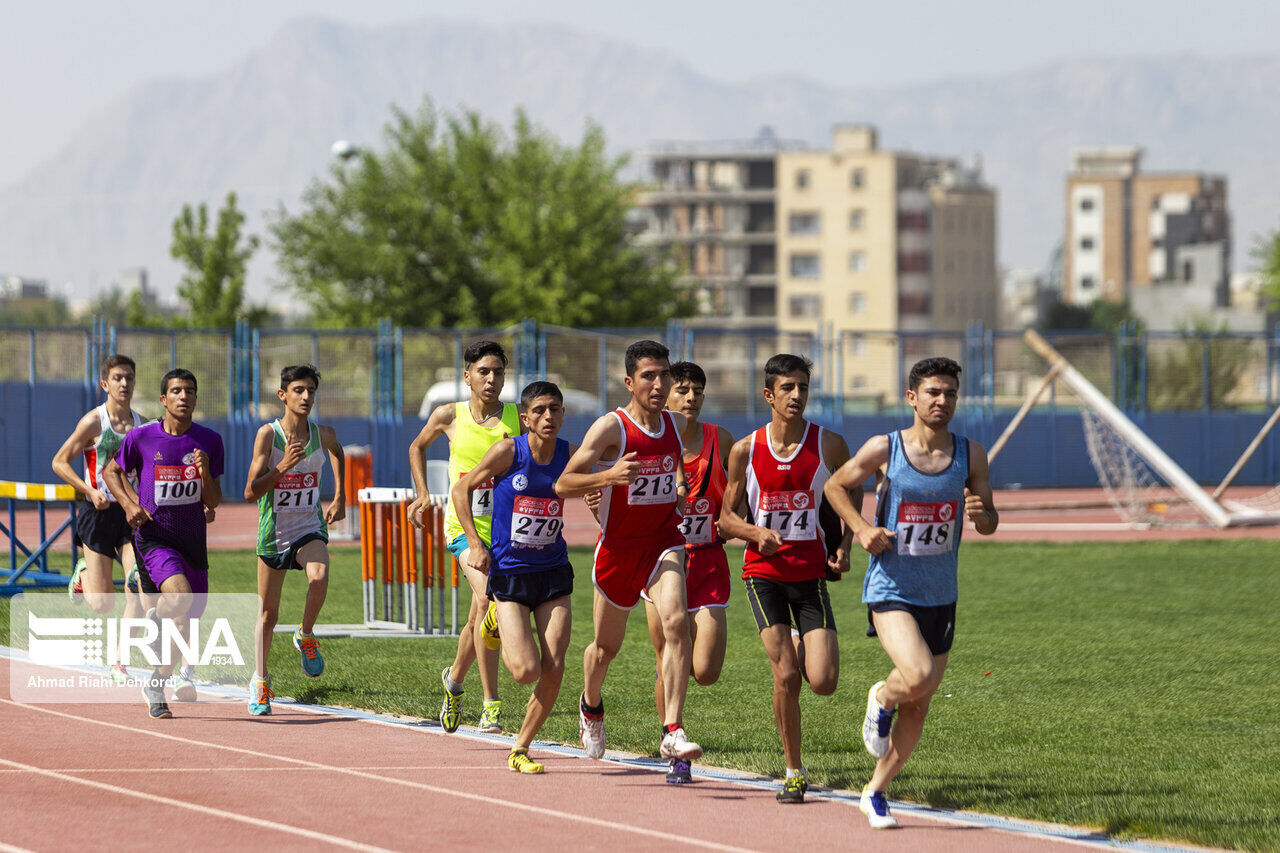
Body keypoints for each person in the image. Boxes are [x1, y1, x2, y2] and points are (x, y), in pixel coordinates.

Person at [823, 356, 998, 829]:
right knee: (917, 676)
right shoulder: (887, 449)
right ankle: (881, 697)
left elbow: (989, 521)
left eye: (950, 395)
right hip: (892, 587)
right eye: (933, 393)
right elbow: (835, 486)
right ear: (912, 397)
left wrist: (982, 515)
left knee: (919, 703)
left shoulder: (970, 454)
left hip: (941, 593)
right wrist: (860, 528)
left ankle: (875, 792)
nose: (942, 401)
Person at [555, 339, 702, 766]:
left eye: (664, 376)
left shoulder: (676, 425)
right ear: (629, 382)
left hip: (663, 541)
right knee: (605, 648)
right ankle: (590, 705)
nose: (659, 384)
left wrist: (676, 489)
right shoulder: (611, 428)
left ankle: (672, 730)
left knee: (676, 623)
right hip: (619, 548)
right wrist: (609, 477)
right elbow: (564, 483)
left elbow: (672, 464)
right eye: (648, 377)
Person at [719, 353, 855, 804]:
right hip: (764, 576)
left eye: (803, 388)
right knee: (786, 676)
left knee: (824, 681)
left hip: (810, 574)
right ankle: (794, 771)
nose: (797, 396)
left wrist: (843, 545)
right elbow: (725, 521)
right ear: (769, 395)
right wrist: (756, 532)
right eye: (788, 388)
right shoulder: (745, 450)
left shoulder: (829, 444)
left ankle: (802, 639)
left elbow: (851, 489)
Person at [452, 381, 575, 774]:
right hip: (511, 574)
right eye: (539, 410)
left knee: (554, 667)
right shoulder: (510, 451)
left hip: (553, 572)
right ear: (524, 418)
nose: (548, 417)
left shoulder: (568, 455)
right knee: (525, 672)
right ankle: (491, 619)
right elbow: (461, 490)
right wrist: (475, 543)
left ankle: (520, 747)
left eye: (555, 409)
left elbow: (590, 484)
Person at [407, 341, 520, 734]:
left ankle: (454, 681)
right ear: (468, 375)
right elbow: (416, 447)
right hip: (463, 531)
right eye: (484, 372)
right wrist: (423, 494)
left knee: (478, 618)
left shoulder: (516, 418)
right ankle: (491, 704)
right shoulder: (448, 415)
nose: (492, 380)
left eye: (499, 373)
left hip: (507, 534)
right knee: (490, 598)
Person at [104, 368, 224, 719]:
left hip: (192, 542)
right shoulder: (142, 438)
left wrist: (203, 473)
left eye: (189, 390)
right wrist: (129, 505)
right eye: (176, 391)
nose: (183, 396)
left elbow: (213, 500)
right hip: (154, 539)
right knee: (181, 598)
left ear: (196, 398)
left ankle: (156, 682)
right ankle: (157, 616)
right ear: (163, 399)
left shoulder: (210, 441)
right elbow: (112, 472)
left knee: (186, 624)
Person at [643, 361, 733, 784]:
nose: (690, 397)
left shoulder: (722, 440)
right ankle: (673, 745)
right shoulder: (649, 440)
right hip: (662, 561)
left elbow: (742, 495)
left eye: (697, 390)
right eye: (682, 389)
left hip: (708, 561)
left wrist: (737, 519)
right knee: (666, 657)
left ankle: (673, 721)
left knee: (707, 671)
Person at [243, 364, 346, 716]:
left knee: (318, 576)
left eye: (311, 391)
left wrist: (341, 495)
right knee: (268, 615)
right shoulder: (267, 436)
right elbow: (249, 492)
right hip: (274, 534)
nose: (306, 397)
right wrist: (283, 467)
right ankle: (260, 680)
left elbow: (337, 451)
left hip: (308, 527)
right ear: (282, 394)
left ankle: (305, 634)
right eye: (299, 390)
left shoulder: (323, 433)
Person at [51, 354, 151, 686]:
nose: (125, 384)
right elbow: (60, 462)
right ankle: (82, 573)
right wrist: (88, 490)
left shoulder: (144, 425)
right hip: (98, 512)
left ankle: (120, 661)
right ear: (105, 384)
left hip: (129, 515)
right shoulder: (93, 423)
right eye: (118, 378)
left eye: (130, 379)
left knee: (135, 586)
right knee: (100, 604)